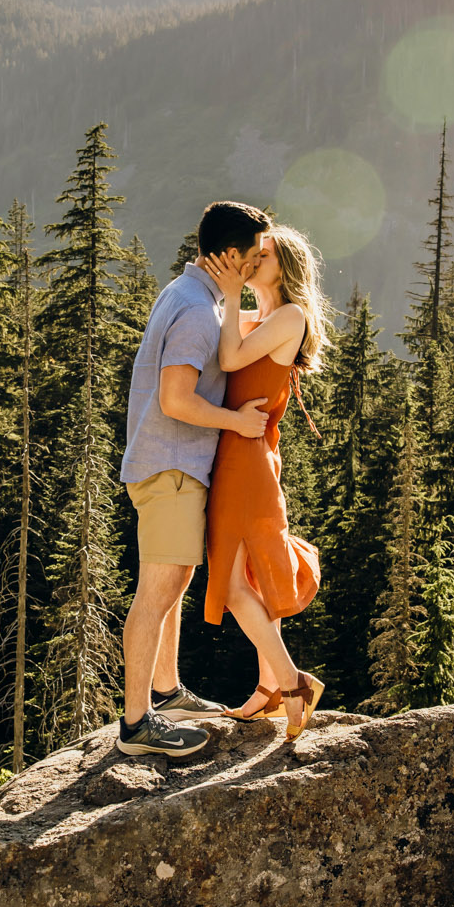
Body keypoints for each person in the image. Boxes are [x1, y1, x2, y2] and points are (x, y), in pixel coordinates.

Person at [115, 200, 273, 758]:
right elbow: (176, 398)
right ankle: (137, 724)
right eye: (254, 257)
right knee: (156, 592)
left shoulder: (185, 294)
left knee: (173, 586)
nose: (258, 265)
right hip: (173, 468)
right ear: (228, 256)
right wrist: (237, 421)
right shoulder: (195, 312)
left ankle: (166, 691)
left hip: (165, 465)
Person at [199, 224, 330, 740]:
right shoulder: (265, 317)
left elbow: (230, 358)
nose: (255, 256)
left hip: (245, 461)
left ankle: (294, 682)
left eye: (266, 252)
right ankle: (269, 689)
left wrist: (231, 294)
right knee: (247, 578)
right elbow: (223, 340)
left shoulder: (290, 316)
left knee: (233, 586)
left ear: (286, 266)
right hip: (241, 451)